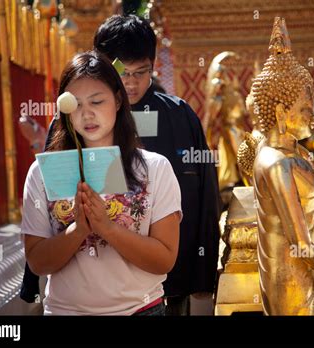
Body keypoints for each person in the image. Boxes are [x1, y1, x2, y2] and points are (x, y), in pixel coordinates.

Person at [21, 51, 182, 315]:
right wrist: (79, 229)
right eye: (76, 105)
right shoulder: (42, 172)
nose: (87, 115)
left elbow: (165, 258)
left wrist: (107, 228)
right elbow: (38, 262)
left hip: (140, 310)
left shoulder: (154, 168)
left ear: (118, 100)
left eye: (97, 101)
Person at [91, 14, 221, 315]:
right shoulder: (79, 118)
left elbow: (206, 196)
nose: (131, 83)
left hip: (171, 274)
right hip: (98, 279)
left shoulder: (180, 117)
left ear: (154, 65)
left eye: (142, 72)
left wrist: (203, 272)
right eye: (122, 72)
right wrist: (35, 280)